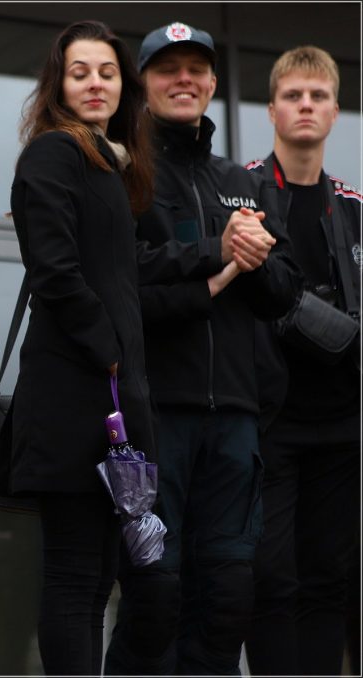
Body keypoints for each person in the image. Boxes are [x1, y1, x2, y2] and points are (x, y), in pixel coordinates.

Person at [104, 21, 302, 676]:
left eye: (196, 70)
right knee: (156, 595)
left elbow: (282, 292)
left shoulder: (242, 183)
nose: (183, 80)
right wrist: (216, 253)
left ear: (213, 84)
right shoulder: (125, 172)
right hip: (158, 418)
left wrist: (256, 255)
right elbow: (126, 280)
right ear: (144, 85)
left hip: (238, 424)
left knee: (227, 599)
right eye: (168, 69)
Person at [7, 20, 157, 675]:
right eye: (80, 72)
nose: (95, 83)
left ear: (124, 84)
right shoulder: (53, 154)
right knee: (75, 577)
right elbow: (55, 271)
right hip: (75, 393)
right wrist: (109, 348)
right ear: (59, 85)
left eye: (106, 72)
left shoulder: (110, 166)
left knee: (102, 578)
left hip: (111, 395)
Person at [244, 45, 361, 677]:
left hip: (343, 424)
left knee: (327, 579)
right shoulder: (243, 194)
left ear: (336, 112)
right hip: (269, 421)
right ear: (272, 110)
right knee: (269, 578)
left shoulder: (354, 207)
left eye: (317, 97)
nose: (306, 106)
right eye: (294, 96)